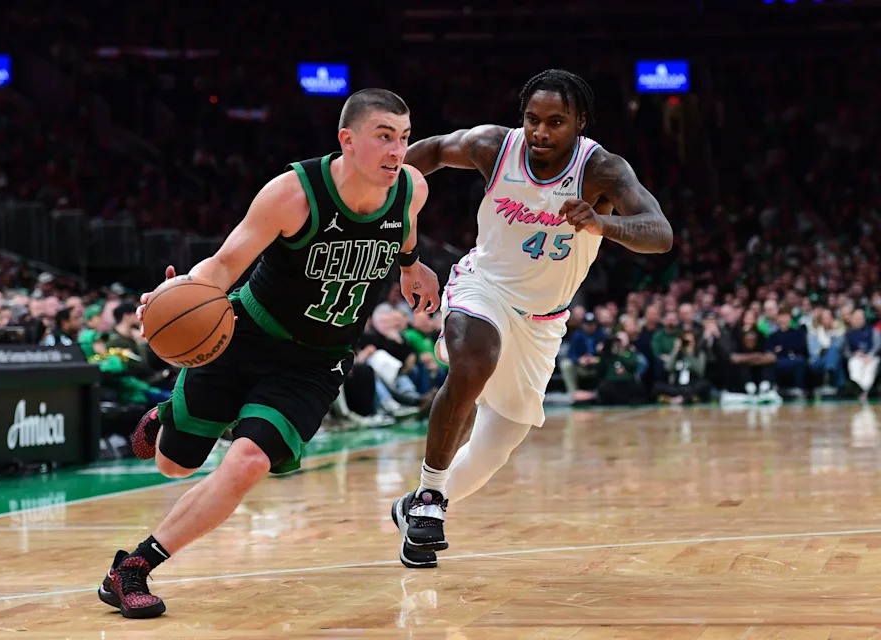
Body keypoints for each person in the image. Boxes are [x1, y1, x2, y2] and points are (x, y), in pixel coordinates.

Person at [96, 88, 440, 618]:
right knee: (171, 464)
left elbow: (406, 232)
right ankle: (167, 415)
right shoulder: (293, 194)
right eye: (385, 137)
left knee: (249, 459)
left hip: (314, 363)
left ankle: (133, 568)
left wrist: (413, 265)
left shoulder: (410, 188)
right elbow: (226, 261)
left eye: (405, 138)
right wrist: (178, 291)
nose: (398, 151)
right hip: (245, 334)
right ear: (347, 140)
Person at [393, 68, 672, 568]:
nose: (541, 132)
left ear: (580, 122)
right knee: (473, 361)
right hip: (484, 287)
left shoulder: (601, 169)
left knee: (493, 451)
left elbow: (659, 232)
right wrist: (383, 194)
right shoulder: (493, 147)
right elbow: (431, 152)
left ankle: (414, 505)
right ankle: (432, 498)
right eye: (532, 119)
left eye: (555, 122)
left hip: (543, 321)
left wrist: (601, 221)